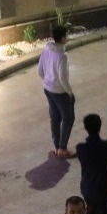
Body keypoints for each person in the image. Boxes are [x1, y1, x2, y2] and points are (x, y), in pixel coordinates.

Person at [38, 25, 76, 158]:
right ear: (63, 38)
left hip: (47, 89)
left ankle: (57, 146)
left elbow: (40, 71)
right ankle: (62, 149)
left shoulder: (46, 49)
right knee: (68, 118)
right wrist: (70, 93)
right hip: (60, 92)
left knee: (55, 118)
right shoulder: (62, 56)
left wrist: (48, 82)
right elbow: (63, 79)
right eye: (67, 35)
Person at [75, 114, 107, 214]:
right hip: (105, 186)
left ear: (85, 127)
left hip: (89, 186)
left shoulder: (80, 148)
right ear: (100, 126)